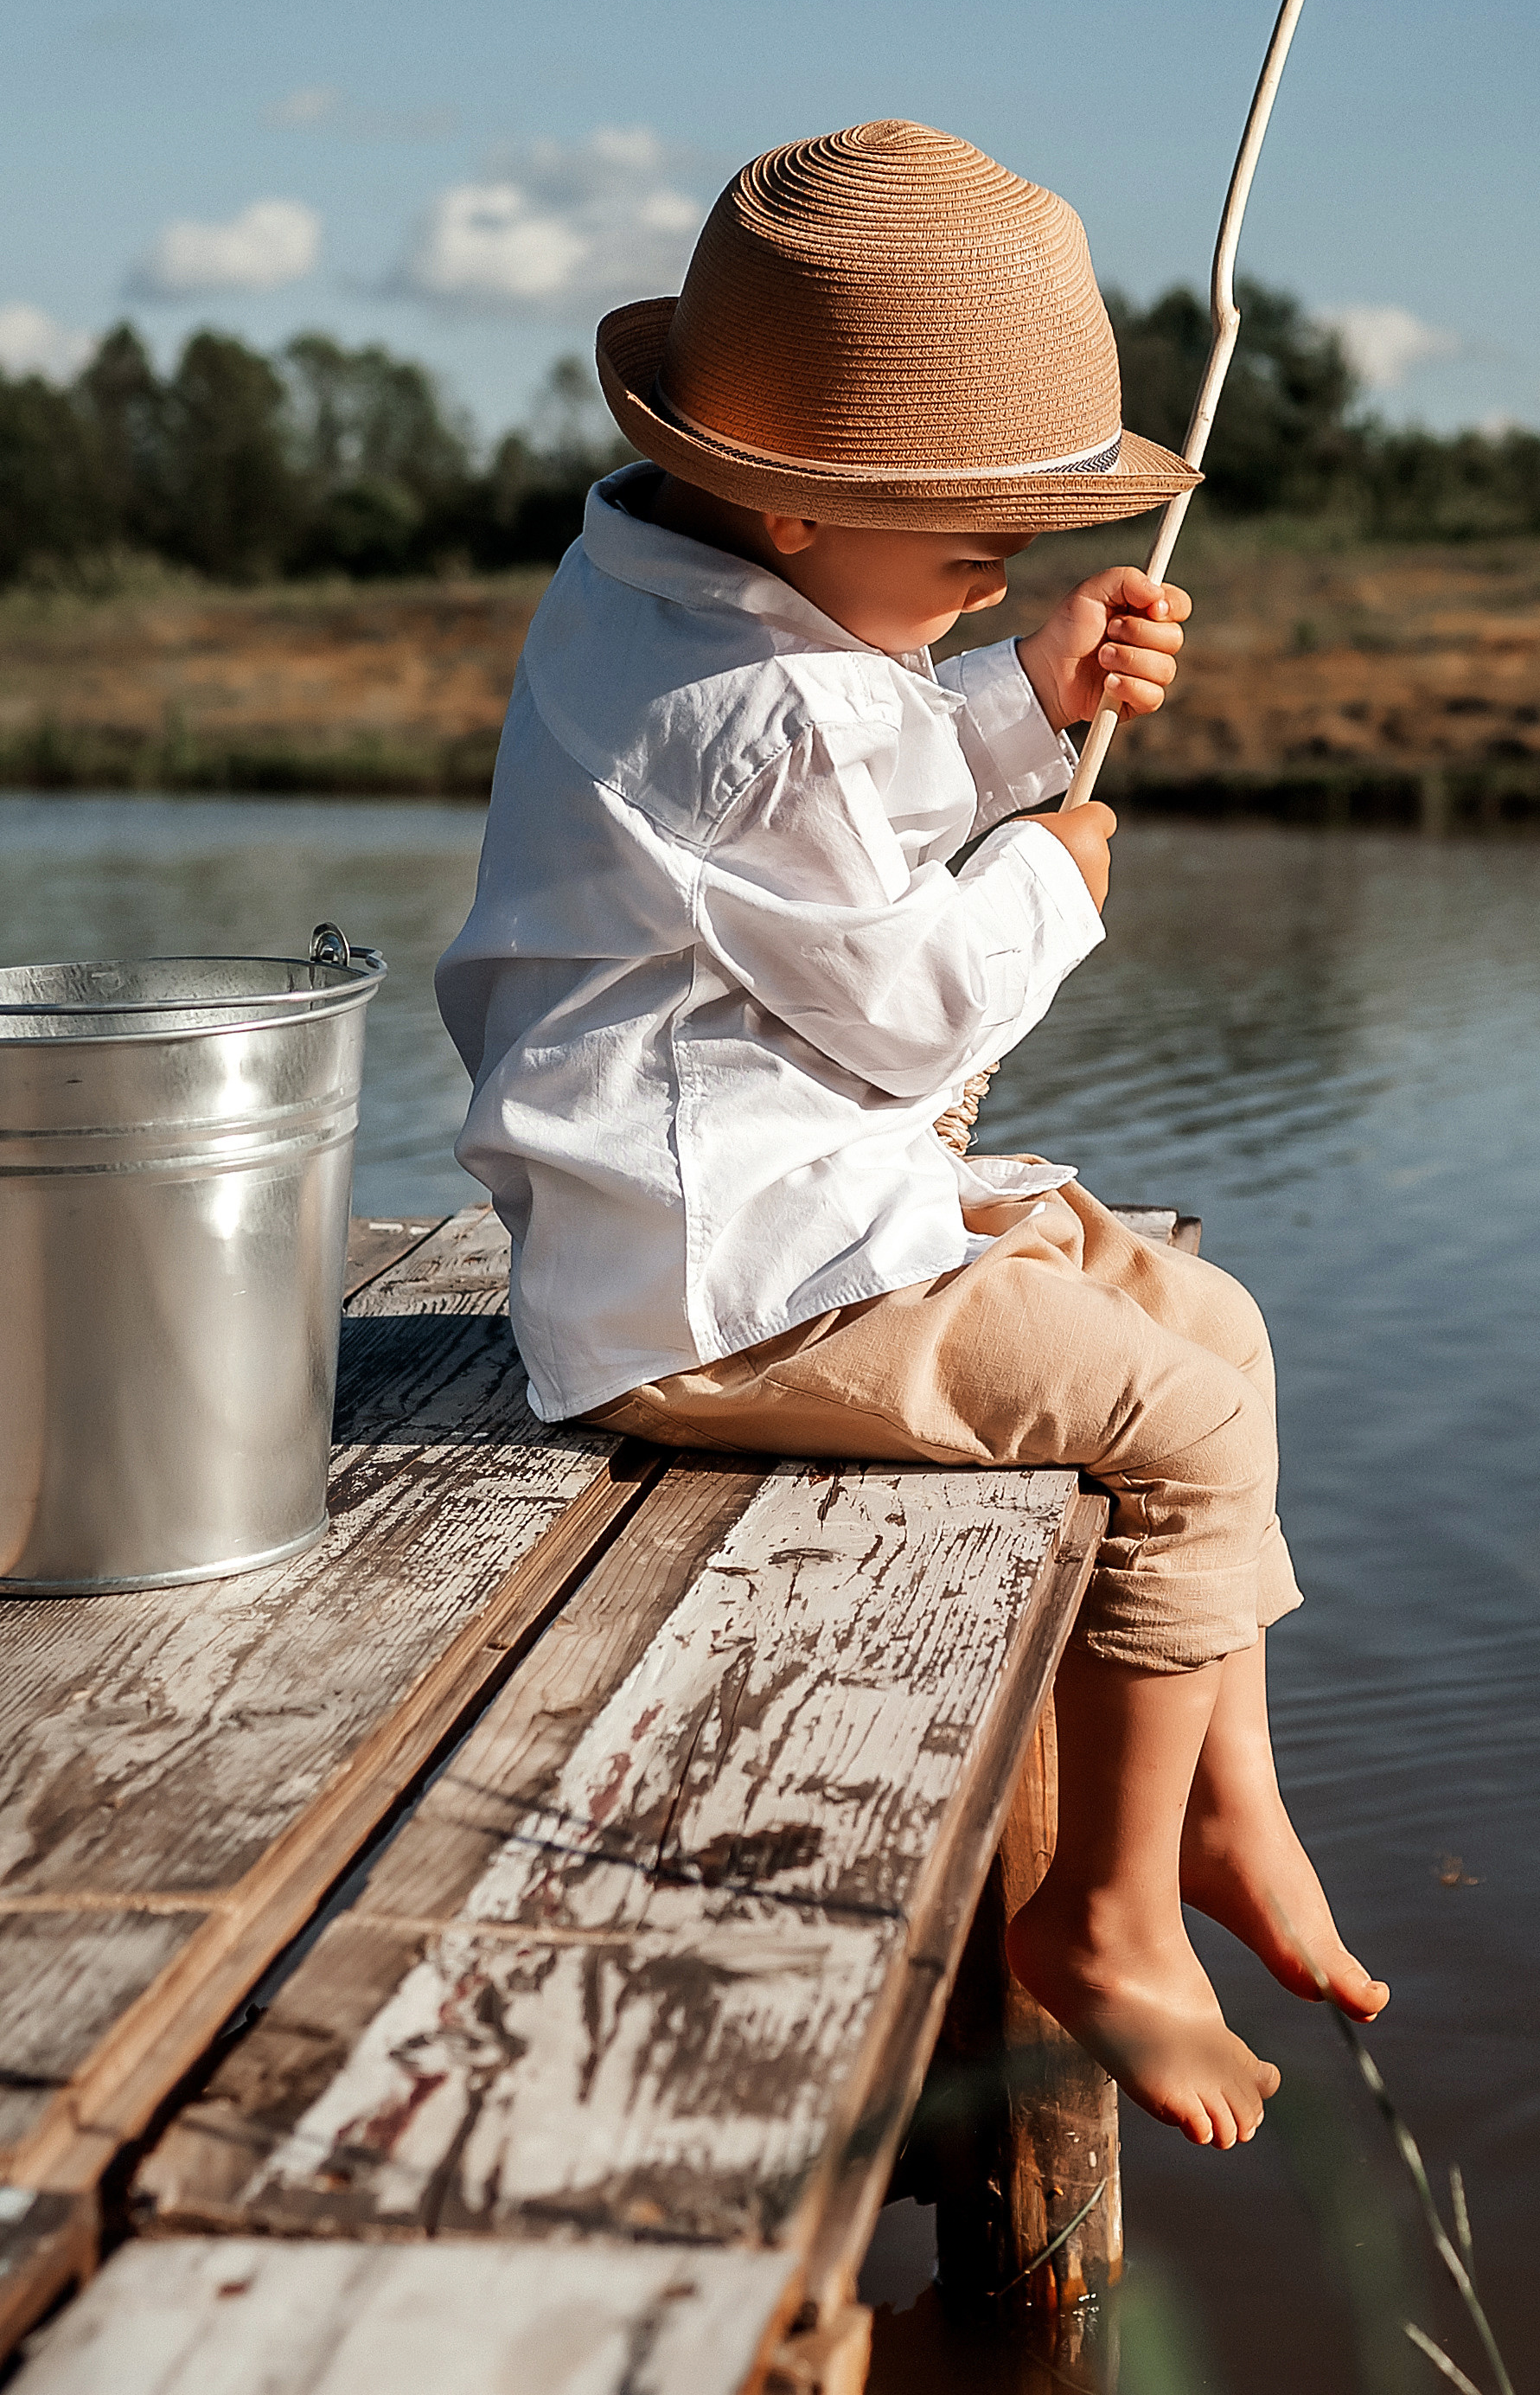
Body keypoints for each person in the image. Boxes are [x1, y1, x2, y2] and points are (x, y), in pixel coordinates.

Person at [437, 118, 1387, 2152]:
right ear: (791, 517)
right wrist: (1055, 870)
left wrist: (1022, 697)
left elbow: (836, 781)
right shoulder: (765, 709)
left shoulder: (664, 598)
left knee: (1205, 1324)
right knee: (1188, 1426)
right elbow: (907, 987)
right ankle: (1102, 1914)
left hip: (779, 1213)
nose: (1009, 574)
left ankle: (1222, 1813)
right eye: (976, 543)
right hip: (725, 1296)